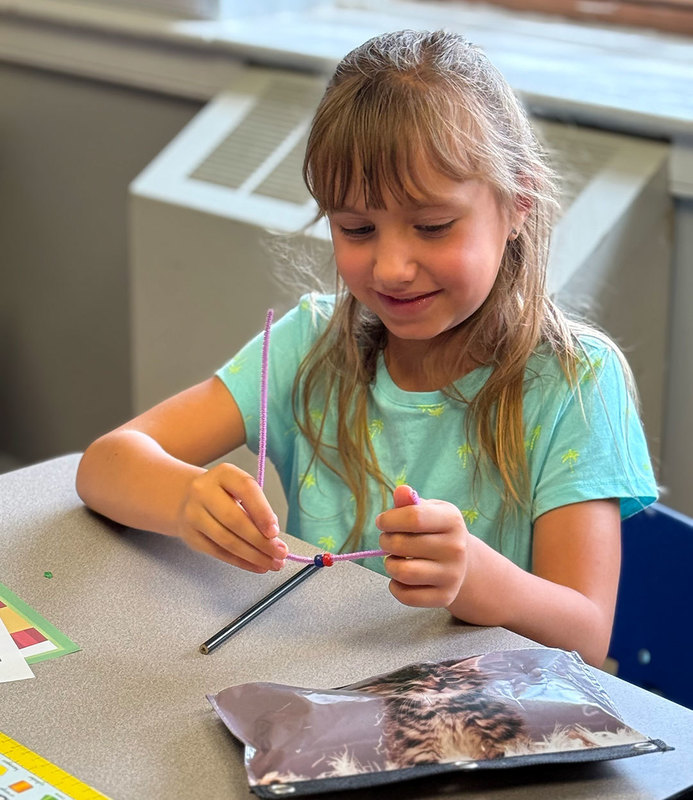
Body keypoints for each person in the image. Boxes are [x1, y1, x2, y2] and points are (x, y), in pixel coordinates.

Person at [76, 29, 657, 667]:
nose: (391, 268)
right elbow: (104, 466)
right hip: (311, 689)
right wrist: (188, 500)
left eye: (432, 227)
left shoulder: (576, 382)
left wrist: (475, 578)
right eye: (356, 228)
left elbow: (587, 634)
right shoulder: (309, 345)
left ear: (518, 203)